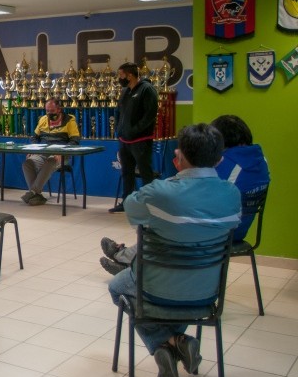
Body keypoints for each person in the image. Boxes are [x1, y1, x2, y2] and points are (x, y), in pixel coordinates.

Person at [105, 124, 240, 377]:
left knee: (116, 286)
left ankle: (166, 343)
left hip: (156, 291)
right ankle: (178, 341)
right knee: (173, 293)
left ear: (179, 156)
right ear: (220, 159)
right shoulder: (232, 194)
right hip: (207, 293)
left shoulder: (159, 192)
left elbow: (133, 212)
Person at [101, 114, 270, 274]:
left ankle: (131, 264)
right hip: (241, 228)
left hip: (219, 232)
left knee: (163, 221)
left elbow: (196, 191)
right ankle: (129, 260)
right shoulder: (260, 159)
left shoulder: (228, 162)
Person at [109, 62, 159, 213]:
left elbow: (150, 115)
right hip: (124, 140)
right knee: (126, 172)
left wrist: (135, 130)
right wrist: (119, 128)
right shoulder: (125, 91)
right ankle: (126, 203)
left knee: (145, 173)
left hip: (141, 140)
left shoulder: (147, 89)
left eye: (121, 75)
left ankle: (148, 204)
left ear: (129, 75)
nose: (119, 78)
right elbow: (119, 111)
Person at [20, 99, 80, 206]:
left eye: (52, 111)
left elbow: (74, 141)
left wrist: (62, 152)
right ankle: (37, 195)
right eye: (47, 111)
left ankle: (32, 192)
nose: (49, 114)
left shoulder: (69, 120)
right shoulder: (43, 119)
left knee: (50, 161)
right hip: (42, 153)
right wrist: (32, 150)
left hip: (61, 155)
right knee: (27, 163)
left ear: (59, 109)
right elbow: (34, 137)